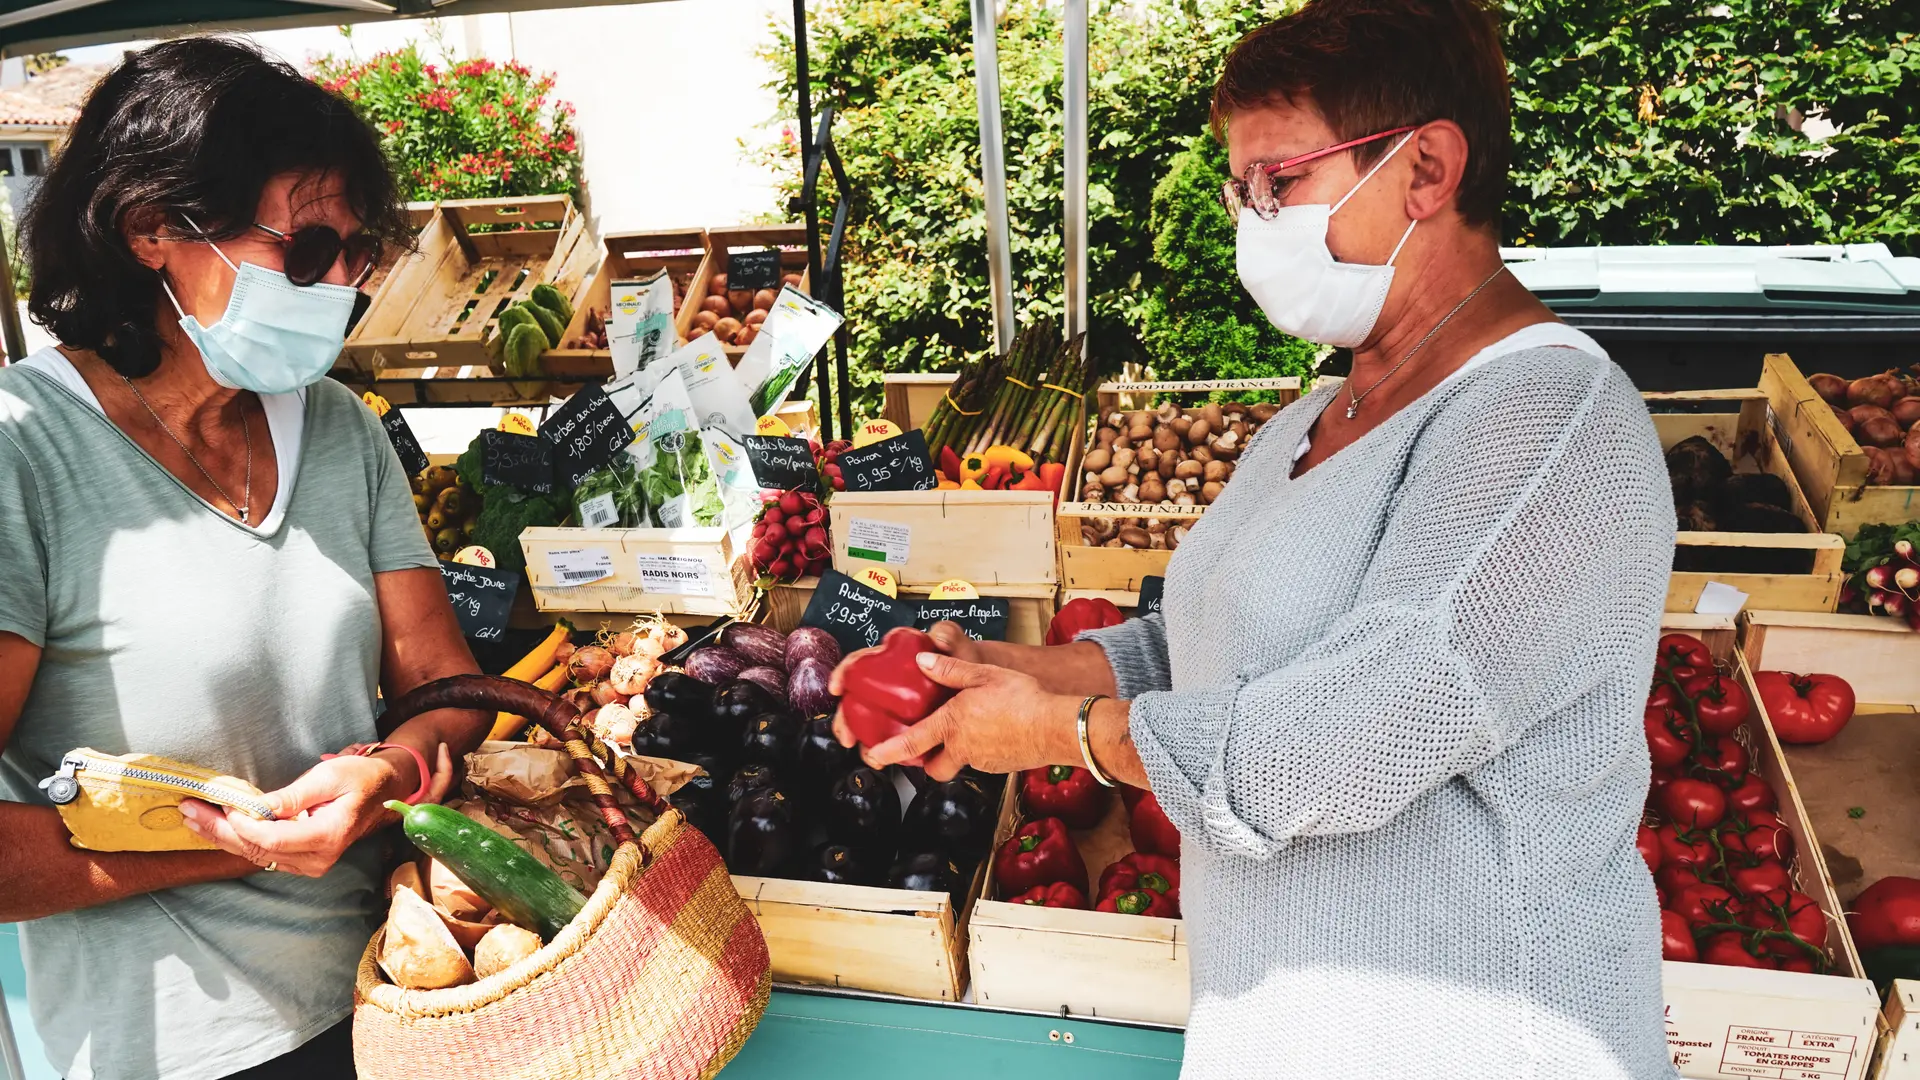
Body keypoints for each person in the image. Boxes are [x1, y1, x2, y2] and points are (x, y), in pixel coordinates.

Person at [834, 0, 1675, 1076]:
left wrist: (1063, 733)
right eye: (1243, 187)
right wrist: (993, 668)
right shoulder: (1313, 416)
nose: (1251, 216)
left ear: (1427, 169)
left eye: (1280, 181)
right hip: (1287, 1026)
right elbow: (1201, 644)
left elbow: (1352, 736)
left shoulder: (1552, 423)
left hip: (1468, 1035)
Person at [0, 37, 488, 1080]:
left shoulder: (343, 432)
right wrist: (238, 842)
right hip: (176, 1049)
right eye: (307, 251)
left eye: (357, 256)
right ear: (150, 231)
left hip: (395, 998)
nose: (340, 286)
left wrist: (391, 769)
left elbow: (446, 687)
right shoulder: (23, 454)